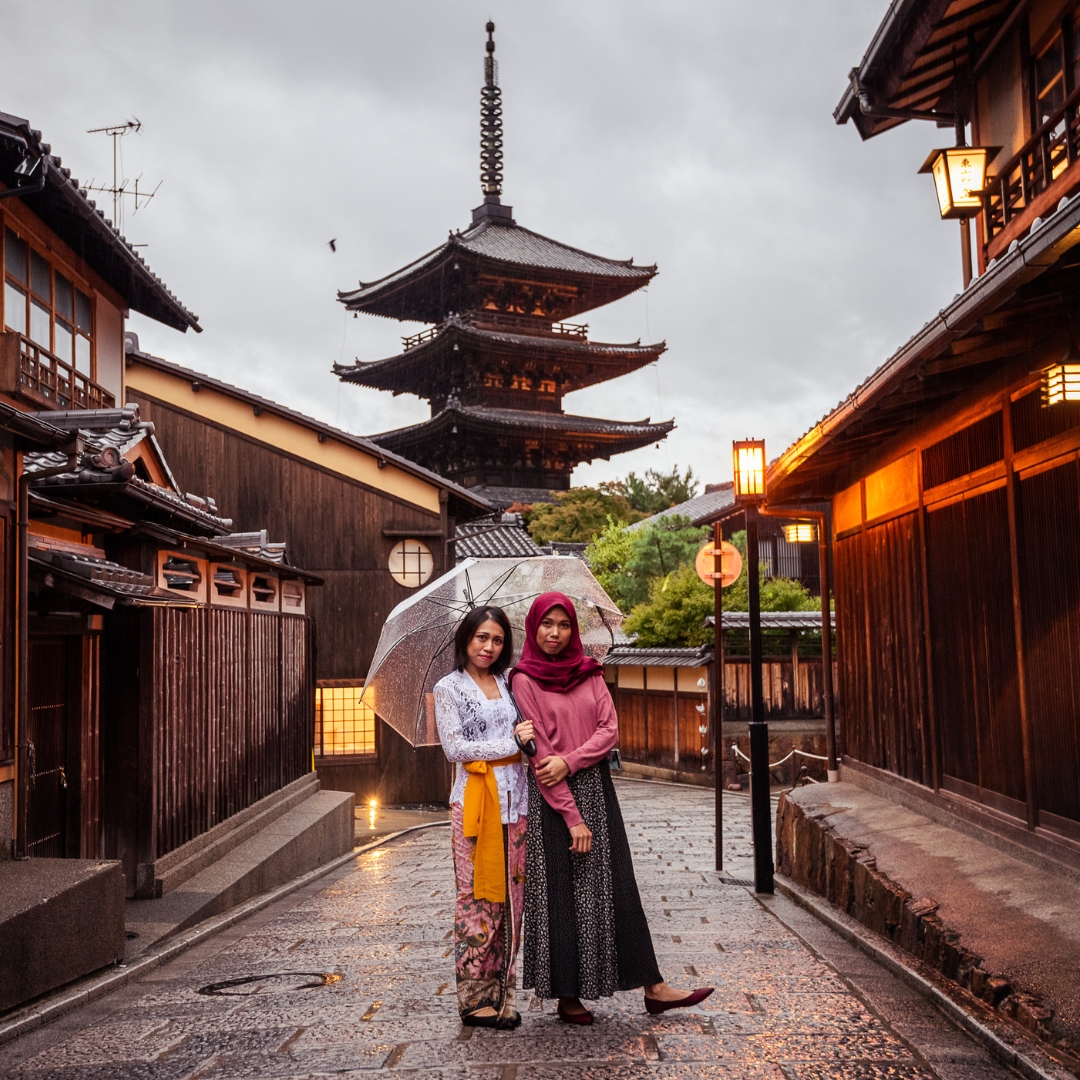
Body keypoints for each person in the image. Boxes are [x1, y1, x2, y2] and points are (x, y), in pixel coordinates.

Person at [511, 592, 714, 1025]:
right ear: (533, 628)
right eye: (547, 624)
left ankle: (654, 987)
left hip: (598, 790)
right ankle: (568, 995)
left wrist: (572, 759)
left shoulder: (590, 673)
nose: (555, 633)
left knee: (619, 888)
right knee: (563, 896)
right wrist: (572, 816)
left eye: (564, 625)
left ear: (574, 631)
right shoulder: (523, 679)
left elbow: (610, 730)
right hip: (555, 801)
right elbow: (542, 759)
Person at [433, 605, 533, 1030]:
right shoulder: (448, 688)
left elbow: (532, 729)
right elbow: (455, 749)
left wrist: (523, 739)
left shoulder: (511, 683)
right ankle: (473, 999)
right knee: (477, 900)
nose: (489, 647)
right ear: (466, 640)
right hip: (473, 805)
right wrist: (510, 744)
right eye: (481, 638)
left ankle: (502, 992)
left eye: (497, 640)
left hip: (518, 803)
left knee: (513, 903)